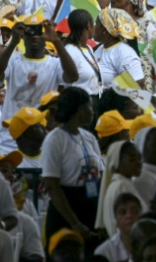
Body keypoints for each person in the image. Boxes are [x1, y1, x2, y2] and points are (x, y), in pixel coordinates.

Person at [0, 13, 79, 153]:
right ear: (23, 36)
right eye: (29, 32)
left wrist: (56, 41)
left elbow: (73, 76)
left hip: (40, 139)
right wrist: (13, 42)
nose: (34, 36)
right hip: (10, 139)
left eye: (38, 32)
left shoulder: (54, 64)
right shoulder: (14, 62)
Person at [42, 87, 105, 256]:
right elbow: (52, 186)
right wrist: (74, 223)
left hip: (90, 205)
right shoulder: (54, 139)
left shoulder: (88, 137)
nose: (93, 112)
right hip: (67, 210)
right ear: (80, 109)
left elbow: (101, 174)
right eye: (90, 107)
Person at [96, 140, 144, 237]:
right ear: (117, 162)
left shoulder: (119, 184)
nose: (139, 163)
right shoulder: (122, 186)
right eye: (132, 159)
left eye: (140, 158)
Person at [94, 193, 143, 262]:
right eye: (123, 212)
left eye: (134, 211)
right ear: (116, 221)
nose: (129, 216)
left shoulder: (151, 246)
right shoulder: (104, 252)